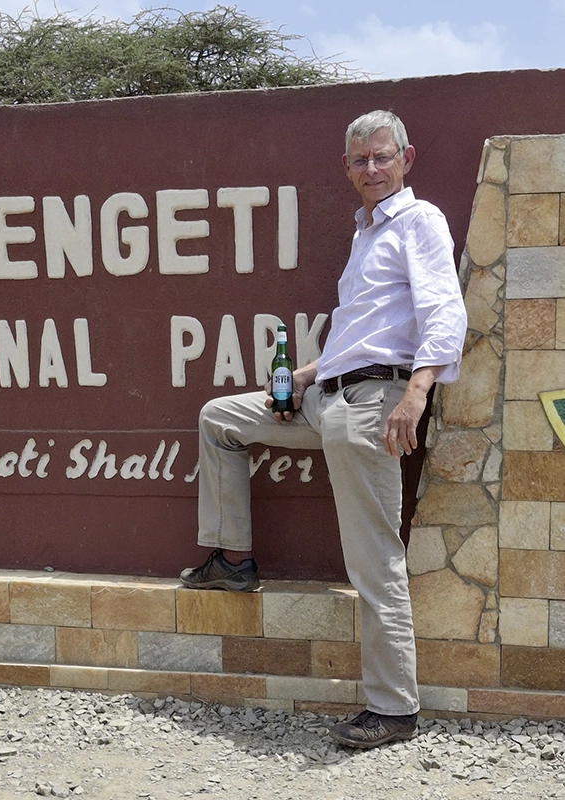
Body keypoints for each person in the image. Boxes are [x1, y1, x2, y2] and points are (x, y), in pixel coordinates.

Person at [179, 110, 468, 749]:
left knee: (373, 559)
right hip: (329, 395)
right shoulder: (365, 234)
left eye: (382, 157)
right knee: (221, 418)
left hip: (373, 404)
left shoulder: (418, 222)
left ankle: (393, 709)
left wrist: (415, 392)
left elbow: (444, 308)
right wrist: (305, 374)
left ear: (406, 158)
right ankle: (234, 558)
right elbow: (360, 334)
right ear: (347, 168)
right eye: (361, 160)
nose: (372, 168)